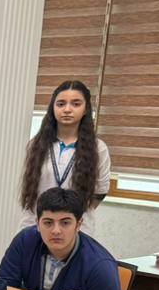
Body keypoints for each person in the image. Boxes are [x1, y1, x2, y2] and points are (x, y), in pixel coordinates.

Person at [18, 79, 110, 233]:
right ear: (52, 108)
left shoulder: (98, 148)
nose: (67, 109)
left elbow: (99, 192)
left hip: (76, 229)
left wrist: (70, 213)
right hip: (35, 225)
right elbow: (30, 187)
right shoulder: (36, 144)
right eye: (61, 104)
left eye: (76, 104)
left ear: (86, 109)